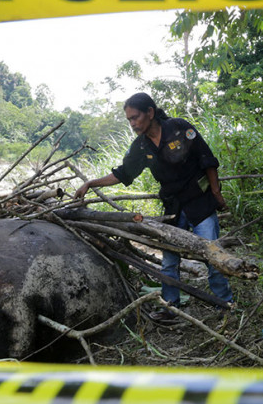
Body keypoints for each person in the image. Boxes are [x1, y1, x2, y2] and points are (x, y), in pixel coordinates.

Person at [74, 92, 233, 322]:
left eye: (135, 117)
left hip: (200, 202)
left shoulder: (179, 129)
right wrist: (90, 183)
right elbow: (122, 174)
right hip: (173, 208)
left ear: (150, 112)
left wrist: (216, 193)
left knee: (213, 255)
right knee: (169, 262)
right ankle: (171, 308)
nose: (132, 123)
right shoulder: (141, 146)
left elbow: (207, 160)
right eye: (129, 120)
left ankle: (225, 305)